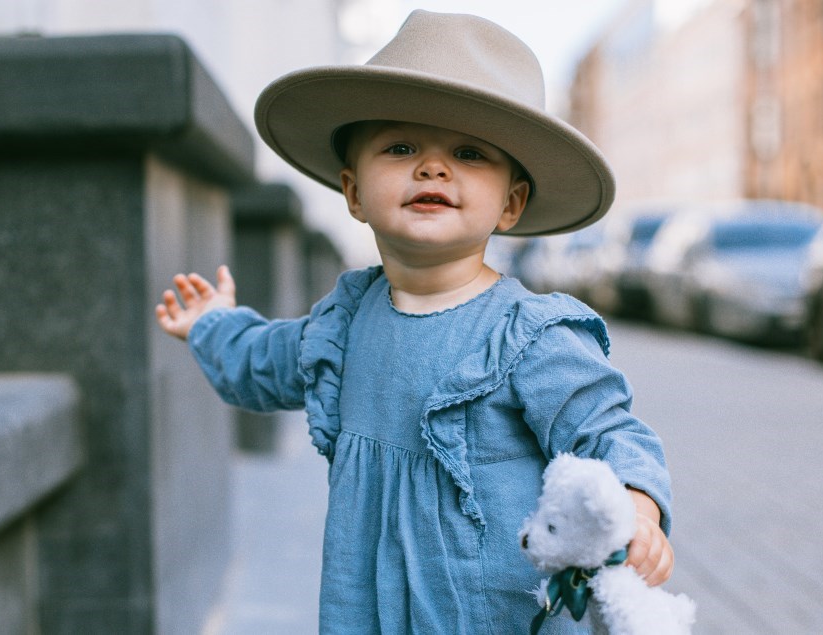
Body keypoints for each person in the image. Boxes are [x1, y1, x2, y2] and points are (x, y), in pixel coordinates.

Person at [156, 10, 674, 634]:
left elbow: (608, 431)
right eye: (400, 148)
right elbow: (266, 360)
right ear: (352, 192)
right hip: (367, 609)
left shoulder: (530, 336)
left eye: (468, 153)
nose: (432, 168)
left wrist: (638, 509)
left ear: (510, 204)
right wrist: (214, 324)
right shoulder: (344, 325)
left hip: (492, 617)